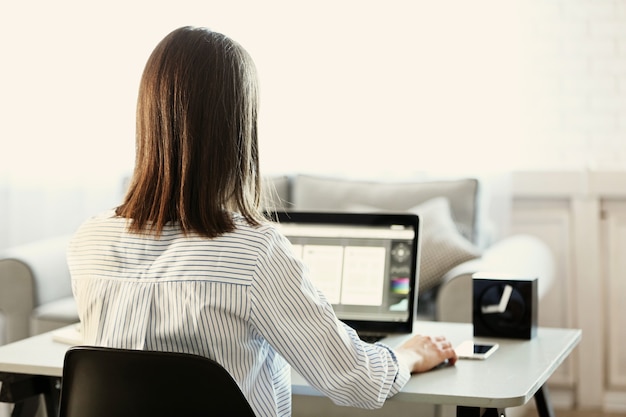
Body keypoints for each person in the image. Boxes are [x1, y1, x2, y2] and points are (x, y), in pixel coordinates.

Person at [67, 26, 457, 417]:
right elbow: (358, 381)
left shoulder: (89, 241)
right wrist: (408, 355)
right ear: (238, 128)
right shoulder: (255, 251)